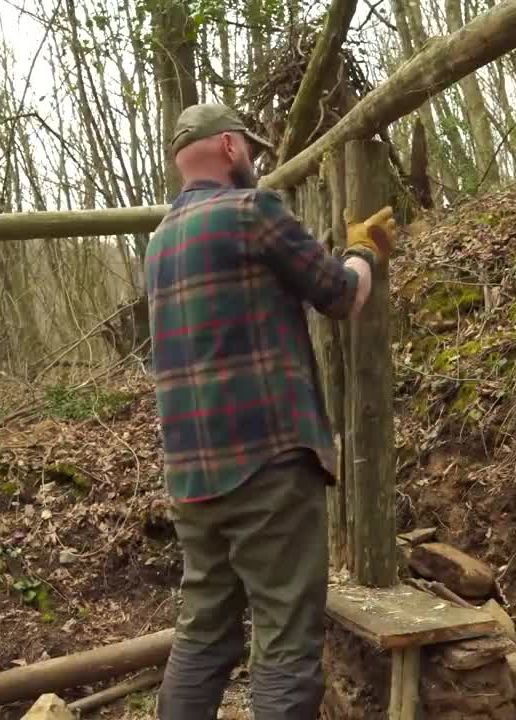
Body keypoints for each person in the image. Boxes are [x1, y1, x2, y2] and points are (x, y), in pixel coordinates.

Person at [144, 102, 399, 720]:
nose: (257, 162)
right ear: (229, 147)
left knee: (205, 633)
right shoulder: (250, 211)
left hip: (193, 480)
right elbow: (339, 295)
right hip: (267, 467)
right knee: (286, 643)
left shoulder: (159, 241)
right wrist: (364, 250)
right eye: (252, 151)